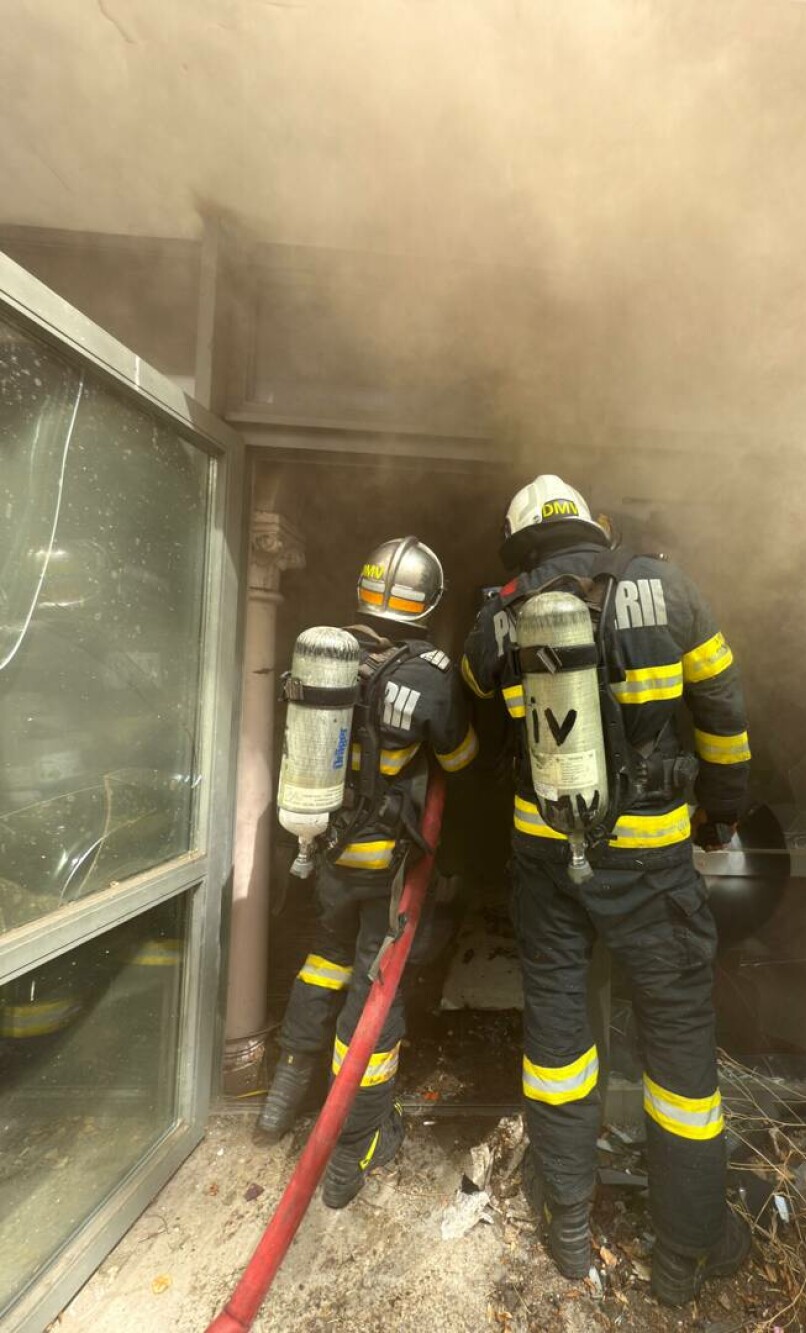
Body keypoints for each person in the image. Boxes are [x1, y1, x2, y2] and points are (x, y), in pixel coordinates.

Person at [461, 475, 751, 1306]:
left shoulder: (497, 615)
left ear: (522, 542)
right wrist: (723, 811)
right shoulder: (669, 588)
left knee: (556, 1031)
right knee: (679, 1049)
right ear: (597, 526)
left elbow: (475, 690)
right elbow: (723, 710)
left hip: (549, 861)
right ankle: (686, 1250)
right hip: (652, 860)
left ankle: (567, 1229)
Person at [256, 536, 478, 1209]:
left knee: (322, 958)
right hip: (386, 867)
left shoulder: (324, 656)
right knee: (375, 992)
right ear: (427, 601)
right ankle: (358, 1142)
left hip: (322, 853)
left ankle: (280, 1099)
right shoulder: (430, 674)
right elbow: (462, 757)